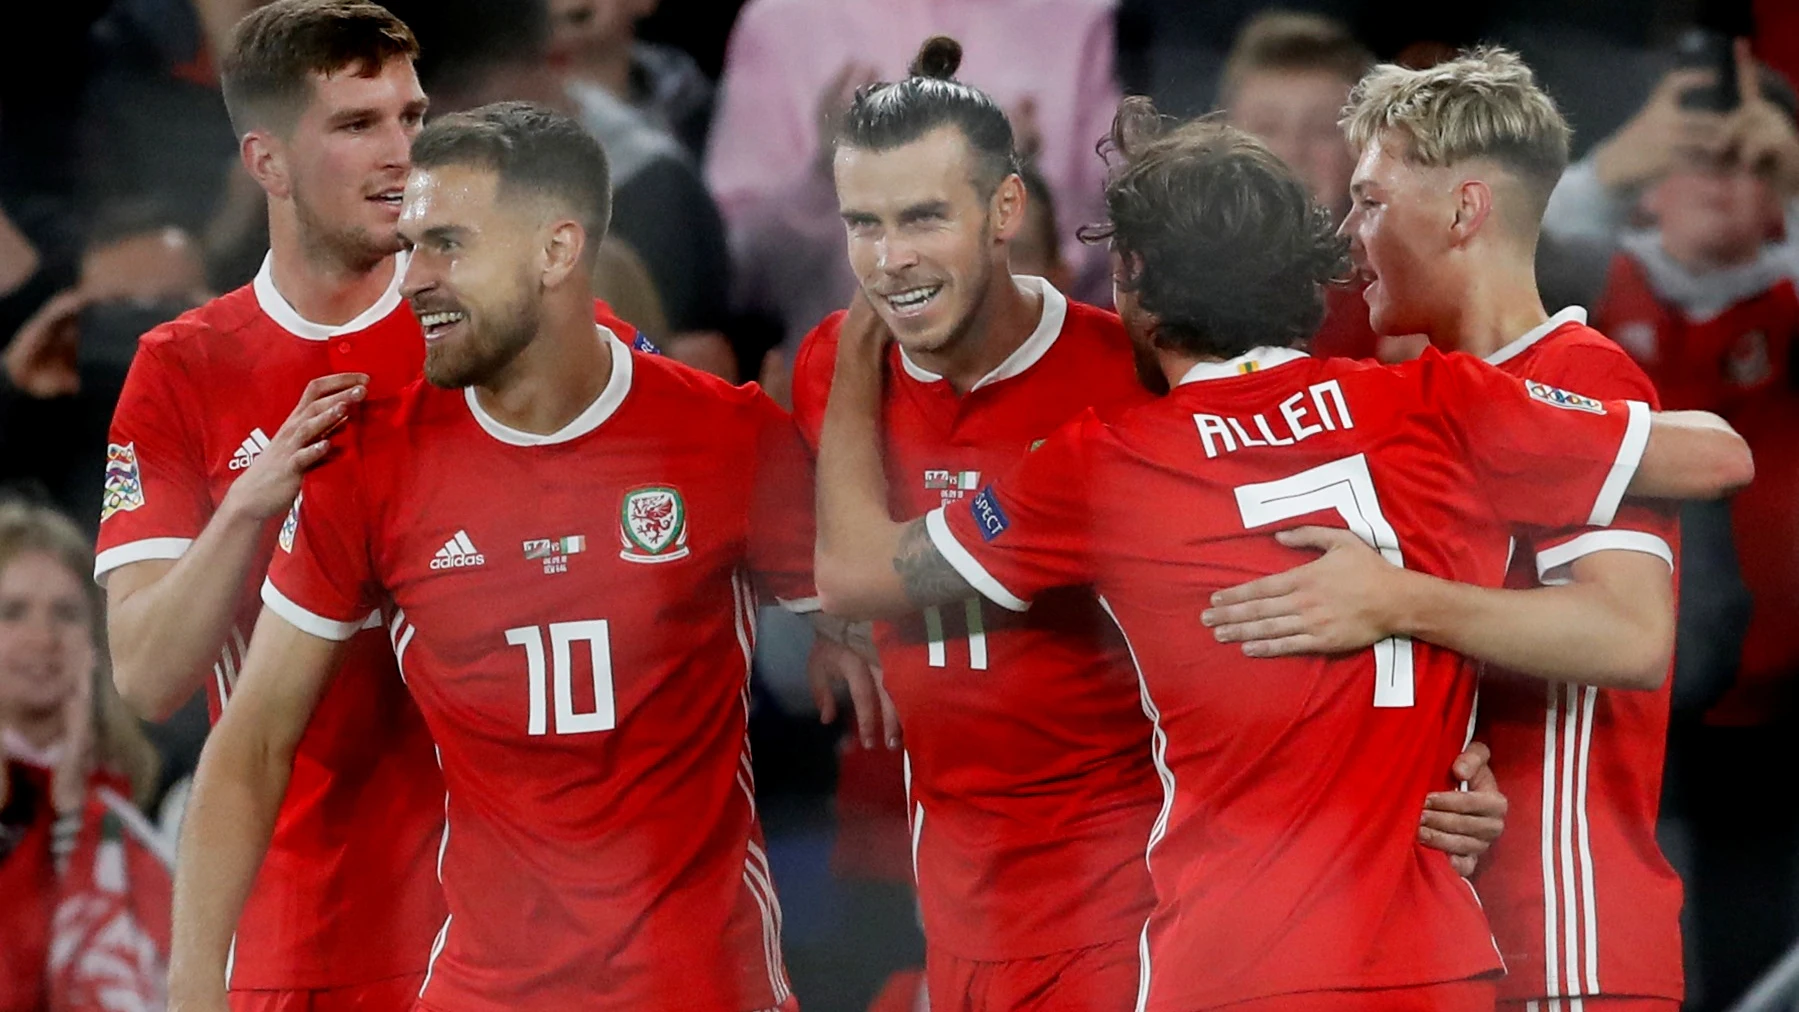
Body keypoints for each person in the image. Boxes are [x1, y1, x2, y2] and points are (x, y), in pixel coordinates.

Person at [812, 102, 1754, 1011]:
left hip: (1229, 966)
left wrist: (858, 353)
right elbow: (1718, 455)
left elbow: (858, 573)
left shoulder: (1102, 463)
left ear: (1134, 279)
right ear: (1304, 279)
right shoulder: (1435, 404)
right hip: (1431, 962)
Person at [797, 39, 1511, 1012]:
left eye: (922, 216)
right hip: (953, 915)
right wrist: (825, 622)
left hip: (1135, 920)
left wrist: (1440, 767)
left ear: (1005, 211)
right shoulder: (835, 376)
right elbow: (769, 544)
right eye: (864, 224)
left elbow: (1310, 572)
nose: (892, 258)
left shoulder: (1125, 388)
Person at [168, 101, 817, 1012]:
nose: (409, 281)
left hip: (702, 984)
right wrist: (194, 986)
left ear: (556, 252)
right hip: (487, 989)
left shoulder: (727, 439)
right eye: (407, 246)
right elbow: (253, 741)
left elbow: (889, 621)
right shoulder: (371, 462)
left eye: (447, 246)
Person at [1203, 47, 1696, 1012]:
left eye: (1371, 203)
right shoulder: (1413, 401)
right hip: (1442, 936)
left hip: (1564, 936)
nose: (1348, 235)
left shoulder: (1581, 384)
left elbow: (1629, 636)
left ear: (1464, 211)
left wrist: (1394, 600)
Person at [94, 4, 447, 1010]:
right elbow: (149, 674)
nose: (400, 154)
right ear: (268, 162)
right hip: (297, 927)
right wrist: (249, 504)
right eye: (356, 125)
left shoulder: (478, 327)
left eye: (412, 119)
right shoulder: (181, 370)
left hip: (493, 916)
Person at [0, 499, 169, 1012]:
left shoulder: (129, 834)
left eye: (66, 614)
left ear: (98, 641)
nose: (43, 638)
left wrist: (74, 816)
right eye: (13, 612)